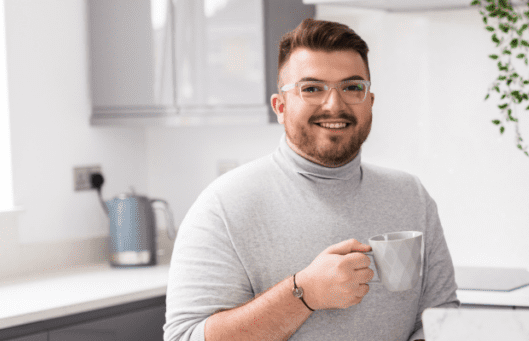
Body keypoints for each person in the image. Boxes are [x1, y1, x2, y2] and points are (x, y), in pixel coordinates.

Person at [163, 19, 459, 341]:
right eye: (312, 89)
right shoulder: (223, 206)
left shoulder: (410, 196)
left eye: (352, 87)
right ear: (280, 106)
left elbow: (439, 320)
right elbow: (183, 337)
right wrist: (304, 294)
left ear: (370, 102)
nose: (334, 104)